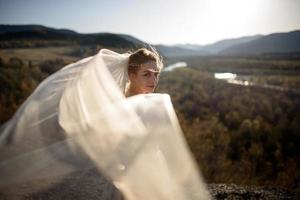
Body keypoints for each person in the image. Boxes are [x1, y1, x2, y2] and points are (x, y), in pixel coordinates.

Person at [0, 47, 211, 200]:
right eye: (146, 74)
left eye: (156, 75)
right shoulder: (119, 106)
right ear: (131, 74)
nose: (153, 81)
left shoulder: (148, 104)